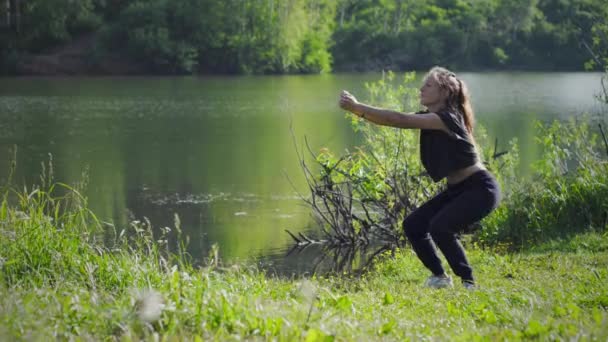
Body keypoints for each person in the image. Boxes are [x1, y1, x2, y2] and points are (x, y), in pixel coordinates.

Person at [338, 66, 501, 289]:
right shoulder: (435, 117)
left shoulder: (445, 118)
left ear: (444, 93)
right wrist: (358, 110)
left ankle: (468, 282)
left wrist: (357, 107)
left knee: (440, 227)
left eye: (428, 85)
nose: (421, 88)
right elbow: (391, 119)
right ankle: (440, 277)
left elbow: (396, 118)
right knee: (414, 224)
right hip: (458, 190)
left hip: (479, 189)